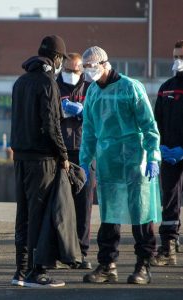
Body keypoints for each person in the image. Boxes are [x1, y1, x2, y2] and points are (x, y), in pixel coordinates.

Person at [80, 46, 161, 285]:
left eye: (91, 66)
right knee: (109, 214)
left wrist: (153, 155)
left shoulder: (131, 87)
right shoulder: (93, 92)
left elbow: (149, 125)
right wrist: (84, 162)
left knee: (141, 213)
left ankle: (144, 265)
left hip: (135, 159)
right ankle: (107, 265)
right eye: (85, 67)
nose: (88, 72)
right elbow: (89, 131)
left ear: (105, 64)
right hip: (108, 160)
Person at [10, 35, 69, 288]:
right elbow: (52, 124)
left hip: (21, 157)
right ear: (56, 58)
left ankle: (20, 271)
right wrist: (64, 154)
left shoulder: (20, 82)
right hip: (42, 159)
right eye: (61, 60)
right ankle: (37, 271)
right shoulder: (48, 83)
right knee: (40, 215)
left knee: (23, 215)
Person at [56, 52, 93, 270]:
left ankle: (81, 251)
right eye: (68, 70)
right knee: (60, 205)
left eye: (76, 70)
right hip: (60, 153)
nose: (72, 74)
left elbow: (100, 115)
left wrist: (84, 111)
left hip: (85, 152)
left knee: (84, 204)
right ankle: (60, 252)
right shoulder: (54, 87)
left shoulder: (90, 89)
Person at [152, 40, 183, 266]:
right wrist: (160, 146)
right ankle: (168, 248)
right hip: (169, 154)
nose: (177, 61)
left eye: (180, 57)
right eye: (175, 57)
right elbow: (156, 121)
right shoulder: (167, 88)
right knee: (170, 200)